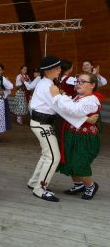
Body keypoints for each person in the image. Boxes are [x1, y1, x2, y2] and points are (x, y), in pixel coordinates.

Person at [27, 56, 97, 202]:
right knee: (53, 157)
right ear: (49, 71)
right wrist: (85, 119)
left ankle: (34, 182)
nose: (60, 70)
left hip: (41, 123)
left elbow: (59, 106)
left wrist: (59, 95)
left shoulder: (46, 83)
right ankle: (40, 189)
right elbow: (62, 108)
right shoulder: (47, 85)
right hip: (42, 123)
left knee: (48, 154)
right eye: (58, 68)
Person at [50, 72, 101, 200]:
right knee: (70, 160)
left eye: (83, 82)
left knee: (79, 162)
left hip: (85, 137)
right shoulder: (77, 97)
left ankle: (91, 186)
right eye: (77, 81)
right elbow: (66, 110)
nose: (78, 84)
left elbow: (74, 110)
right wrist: (86, 119)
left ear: (92, 85)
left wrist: (57, 96)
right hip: (71, 133)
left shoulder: (92, 100)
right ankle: (79, 185)